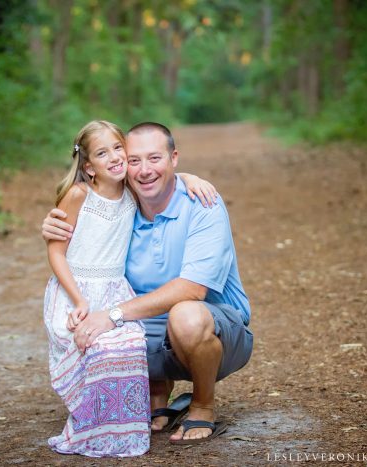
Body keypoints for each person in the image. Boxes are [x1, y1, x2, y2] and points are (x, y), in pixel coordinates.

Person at [42, 122, 253, 445]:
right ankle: (156, 399)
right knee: (100, 335)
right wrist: (53, 227)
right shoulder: (126, 201)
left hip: (216, 331)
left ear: (174, 159)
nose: (144, 170)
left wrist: (111, 314)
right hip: (146, 327)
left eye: (155, 158)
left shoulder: (202, 203)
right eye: (134, 160)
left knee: (185, 315)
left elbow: (193, 290)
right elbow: (87, 219)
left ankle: (202, 405)